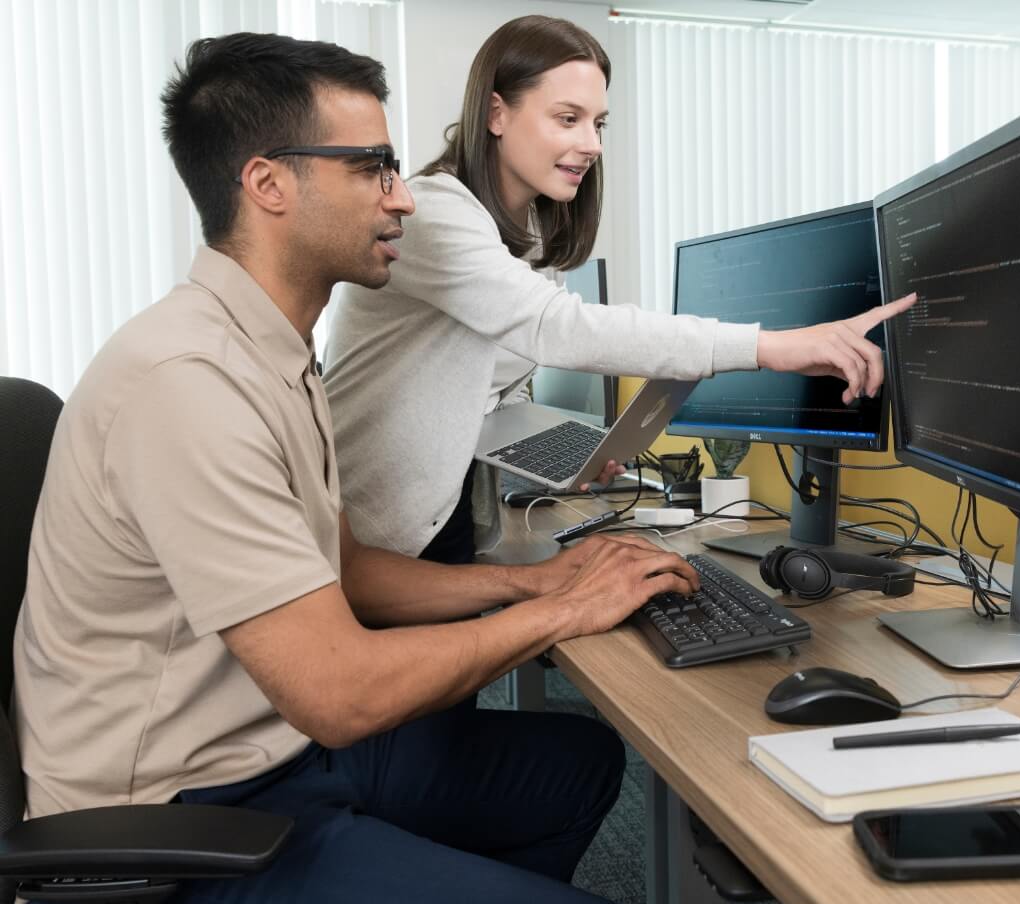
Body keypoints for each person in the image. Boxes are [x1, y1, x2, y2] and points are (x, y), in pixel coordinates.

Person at [10, 31, 698, 904]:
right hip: (160, 834)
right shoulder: (189, 382)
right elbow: (336, 692)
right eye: (373, 167)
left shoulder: (272, 353)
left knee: (571, 769)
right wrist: (566, 612)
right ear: (268, 185)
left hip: (269, 753)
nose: (405, 195)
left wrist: (533, 584)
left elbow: (348, 574)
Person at [323, 14, 916, 565]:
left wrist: (554, 453)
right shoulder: (434, 213)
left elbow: (479, 387)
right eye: (567, 118)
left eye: (598, 123)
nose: (593, 144)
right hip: (376, 531)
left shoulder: (522, 236)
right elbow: (556, 328)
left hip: (438, 511)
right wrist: (775, 347)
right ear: (497, 114)